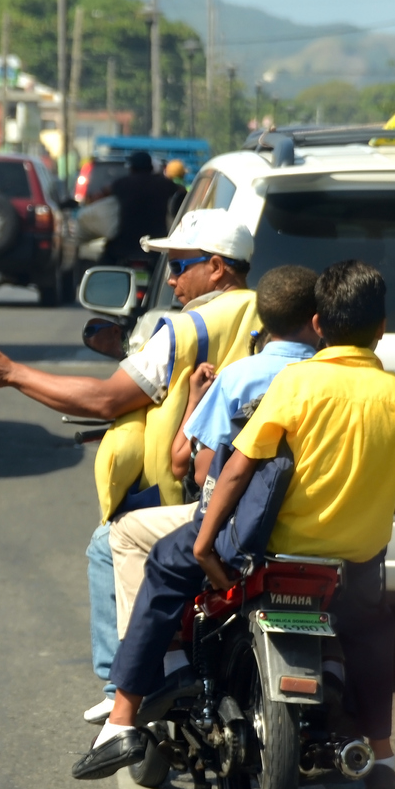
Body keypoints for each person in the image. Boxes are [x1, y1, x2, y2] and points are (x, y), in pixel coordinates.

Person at [76, 261, 395, 789]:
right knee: (370, 631)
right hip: (352, 560)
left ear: (320, 322)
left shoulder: (293, 383)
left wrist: (203, 538)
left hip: (269, 547)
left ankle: (122, 718)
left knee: (167, 564)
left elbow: (235, 469)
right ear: (381, 327)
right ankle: (381, 757)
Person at [0, 208, 262, 714]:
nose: (173, 279)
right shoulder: (279, 319)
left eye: (181, 265)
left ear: (218, 268)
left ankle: (128, 686)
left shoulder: (183, 330)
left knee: (106, 543)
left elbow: (105, 401)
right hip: (277, 496)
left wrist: (14, 373)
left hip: (199, 494)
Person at [96, 265, 320, 724]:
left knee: (123, 535)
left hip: (236, 528)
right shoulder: (335, 381)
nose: (175, 276)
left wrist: (196, 400)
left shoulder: (239, 378)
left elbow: (193, 468)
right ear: (318, 321)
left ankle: (157, 670)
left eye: (180, 265)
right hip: (321, 527)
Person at [103, 151, 181, 266]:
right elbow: (182, 193)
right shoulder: (165, 184)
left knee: (105, 261)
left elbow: (103, 194)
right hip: (156, 245)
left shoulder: (122, 184)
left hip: (125, 245)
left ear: (131, 168)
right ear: (151, 167)